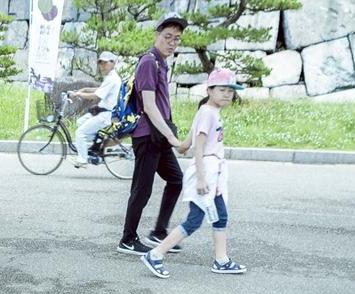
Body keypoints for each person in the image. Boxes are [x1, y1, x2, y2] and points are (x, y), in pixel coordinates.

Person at [140, 70, 246, 279]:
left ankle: (221, 260)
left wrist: (178, 146)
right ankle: (155, 254)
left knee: (220, 215)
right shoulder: (208, 113)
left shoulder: (207, 111)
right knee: (194, 219)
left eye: (231, 91)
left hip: (211, 172)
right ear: (209, 91)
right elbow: (198, 147)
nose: (227, 94)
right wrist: (200, 178)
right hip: (205, 171)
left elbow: (188, 142)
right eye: (222, 90)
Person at [118, 17, 191, 255]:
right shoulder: (149, 62)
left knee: (176, 179)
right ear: (156, 35)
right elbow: (149, 105)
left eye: (177, 39)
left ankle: (159, 232)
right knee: (142, 188)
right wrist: (172, 137)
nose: (172, 42)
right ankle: (128, 239)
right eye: (167, 36)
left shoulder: (161, 63)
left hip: (157, 136)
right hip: (147, 136)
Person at [69, 51, 122, 168]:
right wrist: (83, 90)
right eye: (100, 63)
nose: (102, 66)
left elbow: (96, 96)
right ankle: (96, 146)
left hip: (106, 115)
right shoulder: (110, 77)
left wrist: (78, 95)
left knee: (80, 133)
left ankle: (83, 159)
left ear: (112, 63)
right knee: (80, 122)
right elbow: (98, 89)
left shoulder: (112, 79)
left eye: (105, 63)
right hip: (103, 112)